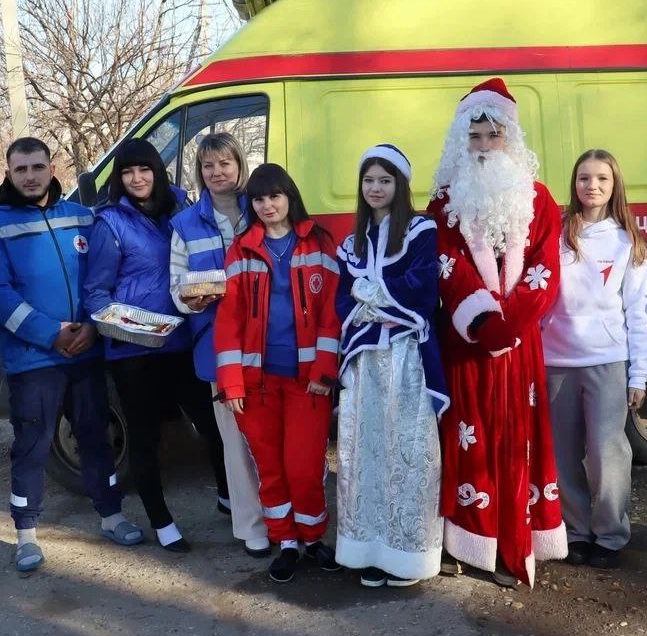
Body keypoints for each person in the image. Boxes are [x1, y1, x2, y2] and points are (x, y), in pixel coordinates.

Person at [0, 137, 144, 573]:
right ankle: (26, 534)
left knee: (95, 437)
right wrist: (51, 334)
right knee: (32, 446)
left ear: (52, 168)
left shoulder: (81, 217)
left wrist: (91, 324)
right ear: (9, 173)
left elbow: (100, 277)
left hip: (86, 350)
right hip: (34, 360)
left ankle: (111, 515)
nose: (30, 176)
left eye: (37, 167)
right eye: (20, 169)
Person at [428, 78, 568, 589]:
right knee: (467, 442)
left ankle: (515, 541)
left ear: (510, 138)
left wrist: (510, 324)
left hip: (519, 346)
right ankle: (467, 541)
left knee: (516, 443)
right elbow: (445, 262)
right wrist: (484, 323)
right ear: (462, 142)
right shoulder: (444, 200)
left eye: (494, 136)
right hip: (468, 345)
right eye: (476, 137)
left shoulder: (539, 199)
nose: (485, 146)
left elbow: (546, 268)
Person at [84, 139, 226, 553]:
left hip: (182, 340)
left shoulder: (182, 210)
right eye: (127, 172)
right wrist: (129, 326)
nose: (137, 178)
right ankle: (162, 522)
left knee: (213, 424)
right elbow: (95, 293)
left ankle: (227, 497)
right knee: (146, 439)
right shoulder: (109, 223)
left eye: (144, 169)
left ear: (157, 171)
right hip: (136, 350)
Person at [214, 163, 342, 583]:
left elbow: (331, 314)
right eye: (259, 198)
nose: (267, 205)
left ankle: (313, 537)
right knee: (270, 468)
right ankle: (286, 541)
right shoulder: (240, 249)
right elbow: (229, 320)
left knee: (304, 467)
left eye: (275, 196)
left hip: (307, 380)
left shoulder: (320, 243)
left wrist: (324, 371)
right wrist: (231, 381)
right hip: (256, 384)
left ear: (289, 196)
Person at [335, 144, 450, 588]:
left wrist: (371, 292)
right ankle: (368, 549)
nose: (376, 188)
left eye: (385, 180)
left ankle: (408, 556)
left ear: (399, 185)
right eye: (369, 180)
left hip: (406, 359)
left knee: (410, 454)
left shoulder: (421, 231)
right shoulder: (352, 242)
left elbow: (422, 290)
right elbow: (342, 298)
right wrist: (372, 296)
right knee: (365, 453)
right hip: (366, 363)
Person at [541, 150, 647, 570]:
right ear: (574, 184)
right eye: (585, 178)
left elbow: (638, 311)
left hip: (607, 361)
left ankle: (610, 534)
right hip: (555, 361)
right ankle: (576, 531)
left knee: (608, 453)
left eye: (602, 178)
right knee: (563, 454)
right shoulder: (555, 234)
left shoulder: (628, 241)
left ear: (614, 184)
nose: (593, 186)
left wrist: (638, 374)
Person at [169, 132, 271, 558]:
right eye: (208, 166)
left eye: (225, 164)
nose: (217, 173)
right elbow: (176, 287)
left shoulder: (264, 209)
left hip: (270, 342)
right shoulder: (185, 224)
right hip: (217, 348)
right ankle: (251, 527)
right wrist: (192, 298)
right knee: (235, 443)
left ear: (239, 165)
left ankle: (283, 515)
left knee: (274, 437)